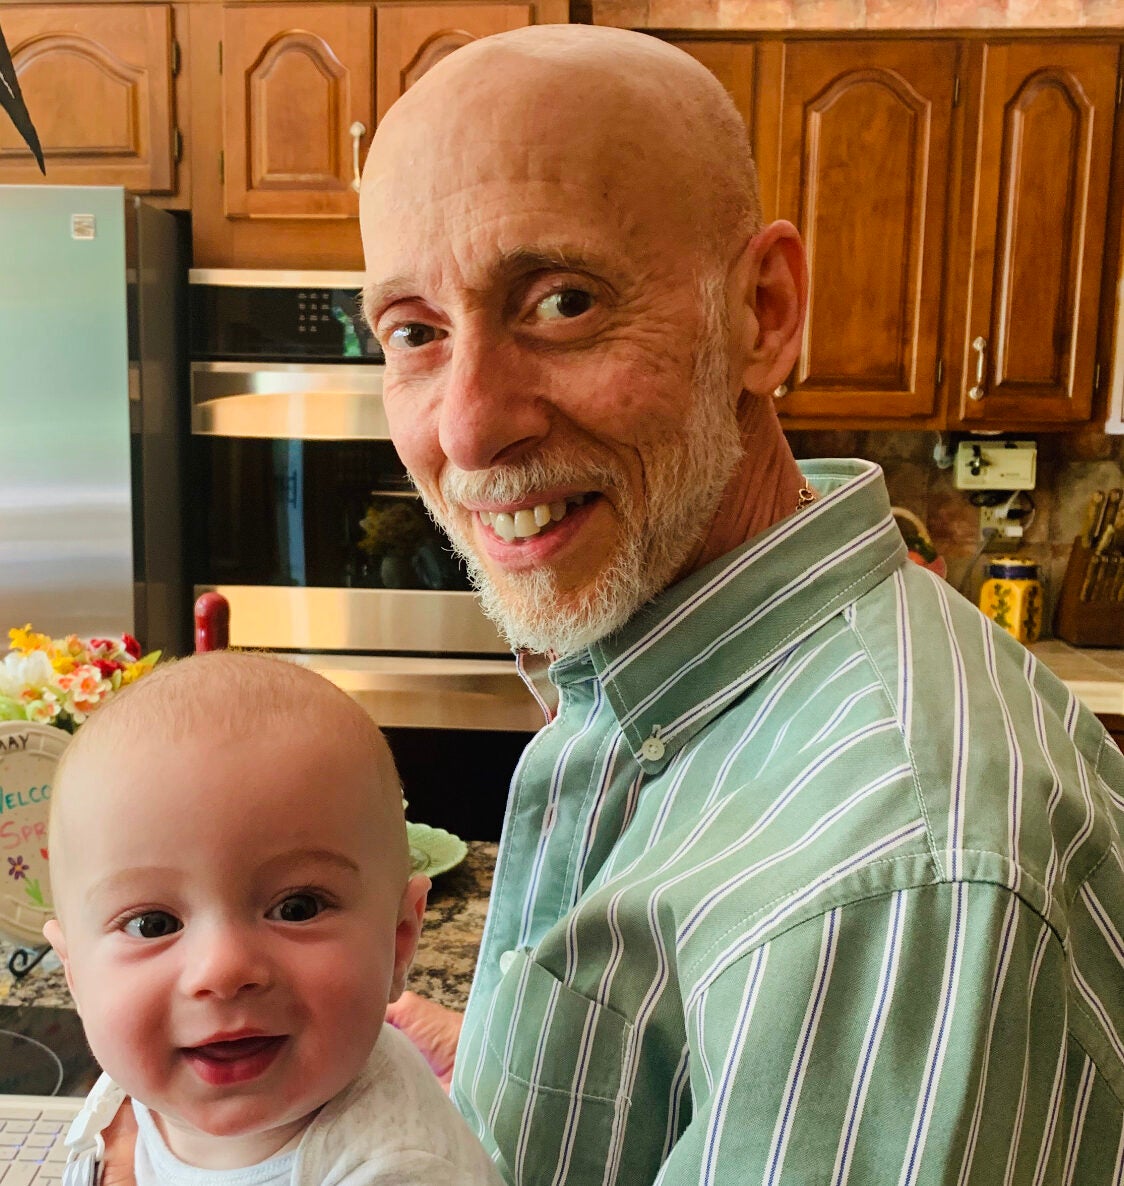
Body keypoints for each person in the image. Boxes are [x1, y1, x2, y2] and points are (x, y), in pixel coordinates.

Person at [105, 22, 1124, 1185]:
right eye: (415, 334)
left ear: (763, 311)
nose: (467, 425)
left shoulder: (891, 863)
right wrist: (477, 1083)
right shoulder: (660, 671)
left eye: (562, 301)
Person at [43, 650, 504, 1185]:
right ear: (76, 975)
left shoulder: (396, 1171)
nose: (222, 969)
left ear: (400, 940)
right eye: (153, 924)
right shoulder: (142, 1079)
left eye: (297, 908)